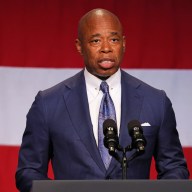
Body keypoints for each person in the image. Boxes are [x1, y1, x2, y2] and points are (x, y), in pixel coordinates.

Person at [15, 8, 189, 192]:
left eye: (114, 39)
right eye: (96, 41)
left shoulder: (156, 101)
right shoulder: (48, 103)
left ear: (123, 43)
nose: (106, 48)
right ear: (79, 46)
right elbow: (28, 171)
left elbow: (174, 168)